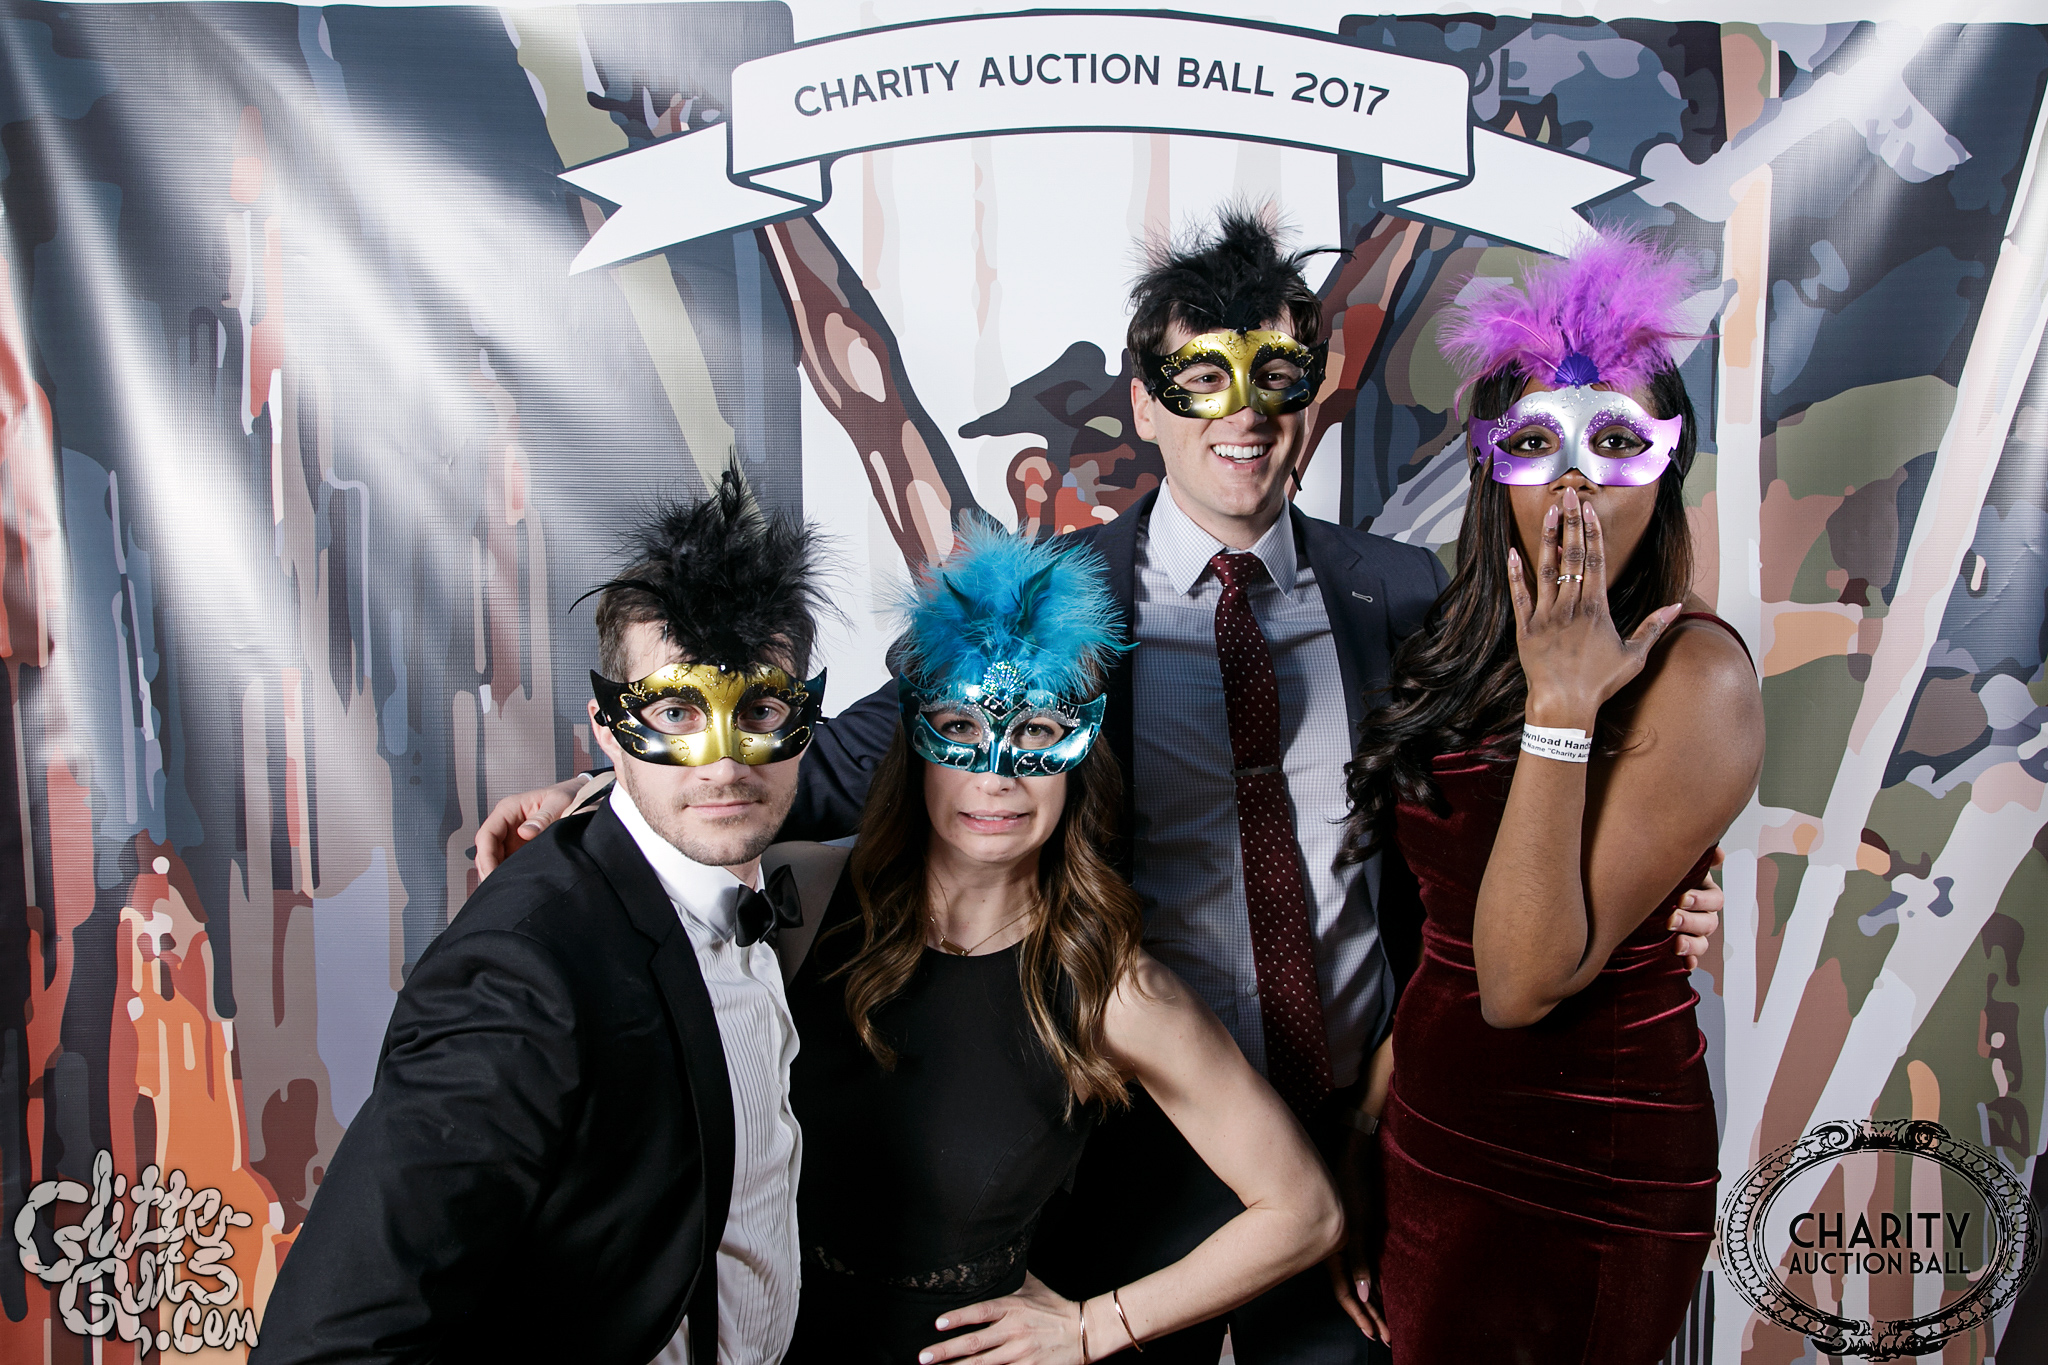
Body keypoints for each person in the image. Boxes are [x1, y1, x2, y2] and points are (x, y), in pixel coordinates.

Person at [475, 208, 1726, 1363]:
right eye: (1200, 378)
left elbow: (1505, 794)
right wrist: (601, 798)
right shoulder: (1045, 607)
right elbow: (843, 767)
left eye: (1277, 376)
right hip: (1125, 1137)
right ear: (1144, 401)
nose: (1243, 416)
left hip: (1362, 1137)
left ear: (1313, 391)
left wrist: (1661, 880)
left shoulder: (1402, 595)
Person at [254, 469, 827, 1365]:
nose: (722, 764)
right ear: (606, 725)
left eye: (759, 710)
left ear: (804, 717)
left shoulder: (731, 865)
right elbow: (332, 1342)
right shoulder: (526, 971)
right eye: (675, 711)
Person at [1338, 233, 1764, 1363]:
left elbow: (1520, 983)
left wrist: (1564, 707)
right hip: (1433, 1135)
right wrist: (1371, 1123)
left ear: (1667, 464)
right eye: (1535, 443)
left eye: (1615, 441)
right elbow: (1449, 938)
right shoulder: (1463, 642)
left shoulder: (1698, 675)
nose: (1574, 482)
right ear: (1491, 466)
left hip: (1581, 1171)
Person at [777, 524, 1342, 1364]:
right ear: (915, 744)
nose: (997, 773)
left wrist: (1093, 1327)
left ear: (1080, 755)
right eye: (960, 724)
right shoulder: (799, 898)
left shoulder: (1114, 986)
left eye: (1038, 731)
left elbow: (1306, 1210)